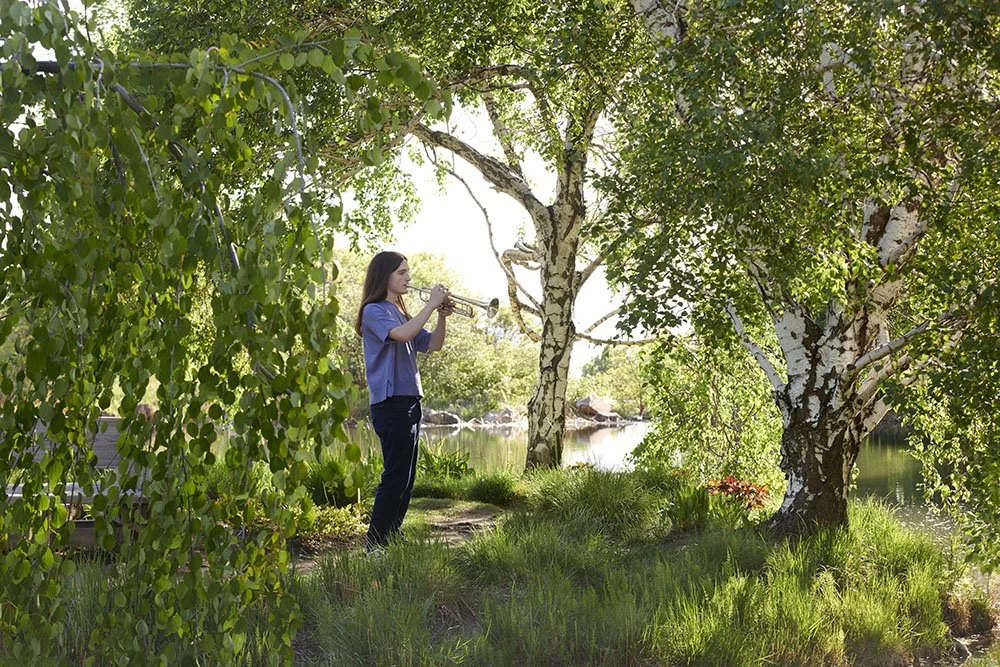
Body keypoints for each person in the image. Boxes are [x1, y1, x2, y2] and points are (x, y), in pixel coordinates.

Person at [354, 251, 453, 549]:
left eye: (408, 272)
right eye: (401, 272)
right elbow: (401, 336)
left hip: (410, 401)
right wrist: (431, 304)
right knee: (395, 475)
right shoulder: (373, 311)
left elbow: (433, 345)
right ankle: (375, 544)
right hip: (390, 401)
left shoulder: (402, 312)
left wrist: (440, 316)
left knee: (406, 478)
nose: (408, 277)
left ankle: (392, 536)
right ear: (384, 276)